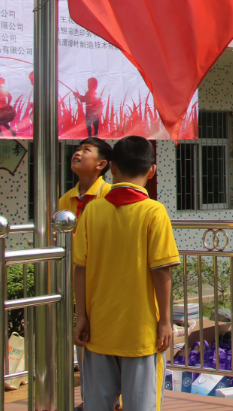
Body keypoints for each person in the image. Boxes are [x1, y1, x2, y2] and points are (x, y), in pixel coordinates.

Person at [73, 136, 179, 411]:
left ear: (113, 168)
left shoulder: (92, 210)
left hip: (98, 330)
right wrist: (165, 321)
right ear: (151, 170)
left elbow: (80, 269)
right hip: (141, 334)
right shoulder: (154, 212)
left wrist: (81, 315)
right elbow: (161, 270)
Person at [58, 137, 113, 219]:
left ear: (101, 164)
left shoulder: (110, 194)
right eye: (77, 149)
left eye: (86, 150)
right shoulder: (66, 198)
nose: (77, 153)